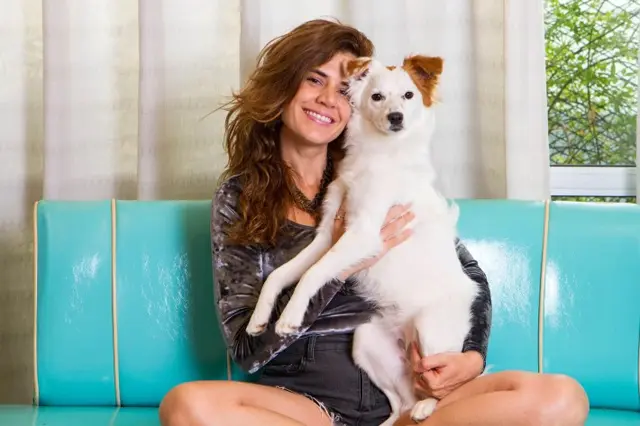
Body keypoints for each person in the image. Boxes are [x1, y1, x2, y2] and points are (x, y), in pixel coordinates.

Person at [159, 19, 589, 426]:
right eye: (314, 80)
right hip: (308, 402)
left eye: (344, 89)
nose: (329, 99)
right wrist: (345, 261)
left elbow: (467, 274)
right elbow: (246, 350)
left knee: (562, 398)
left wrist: (471, 358)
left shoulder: (379, 168)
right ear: (283, 86)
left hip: (410, 391)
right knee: (188, 406)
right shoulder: (241, 195)